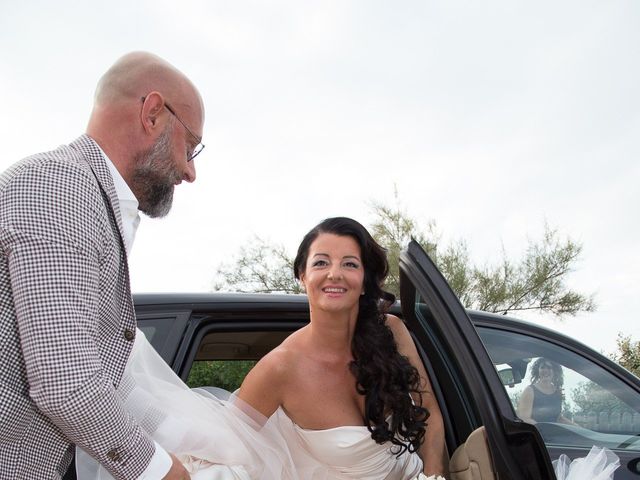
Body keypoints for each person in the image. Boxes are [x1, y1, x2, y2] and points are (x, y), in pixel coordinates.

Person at [0, 51, 203, 479]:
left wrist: (186, 441)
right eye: (192, 146)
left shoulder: (88, 197)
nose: (190, 172)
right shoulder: (59, 186)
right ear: (152, 113)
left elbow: (104, 372)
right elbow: (66, 381)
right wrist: (163, 473)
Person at [238, 217, 448, 478]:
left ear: (363, 280)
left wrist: (434, 476)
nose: (334, 273)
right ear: (303, 276)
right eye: (321, 262)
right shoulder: (279, 368)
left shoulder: (391, 331)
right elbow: (224, 450)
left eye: (349, 263)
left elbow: (429, 412)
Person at [517, 357, 574, 425]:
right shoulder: (530, 391)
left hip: (553, 435)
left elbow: (558, 418)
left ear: (554, 371)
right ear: (538, 371)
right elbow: (524, 419)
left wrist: (578, 427)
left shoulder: (558, 392)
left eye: (549, 368)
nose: (545, 370)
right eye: (542, 367)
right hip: (535, 434)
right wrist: (544, 430)